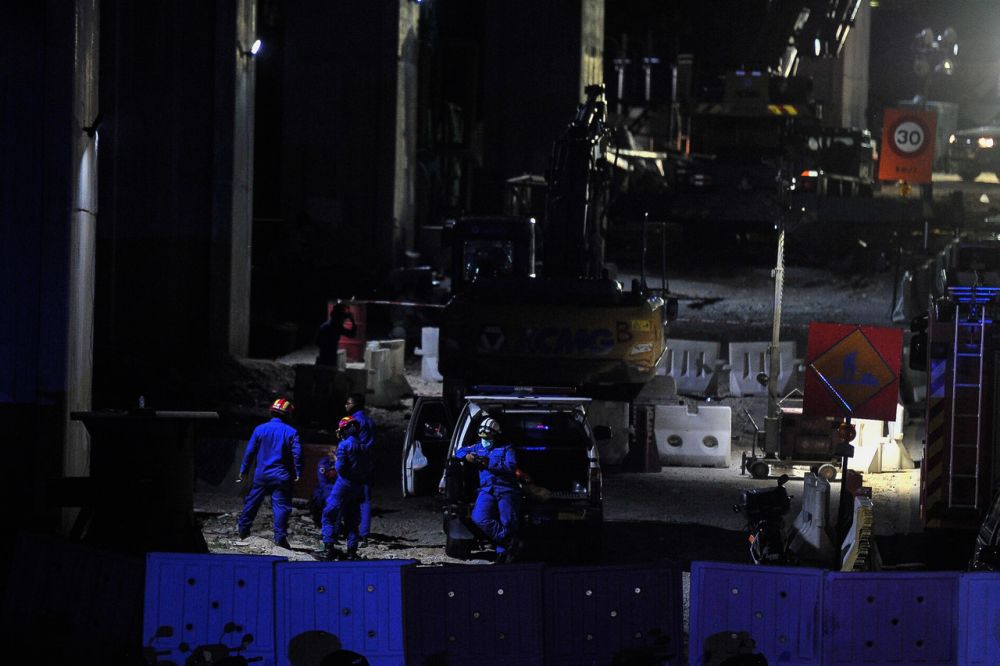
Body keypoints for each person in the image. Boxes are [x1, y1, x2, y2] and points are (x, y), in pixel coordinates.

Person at [453, 417, 521, 563]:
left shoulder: (507, 448)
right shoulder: (478, 447)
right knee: (479, 517)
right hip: (487, 490)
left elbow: (511, 467)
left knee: (507, 521)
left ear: (496, 435)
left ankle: (503, 555)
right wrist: (467, 456)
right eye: (482, 436)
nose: (485, 439)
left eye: (488, 436)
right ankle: (508, 540)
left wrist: (489, 463)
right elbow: (458, 452)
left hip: (506, 490)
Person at [237, 398, 303, 549]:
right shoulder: (291, 432)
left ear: (271, 411)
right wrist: (298, 471)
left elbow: (250, 452)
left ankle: (243, 530)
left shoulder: (260, 429)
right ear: (288, 415)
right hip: (281, 476)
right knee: (281, 506)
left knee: (252, 502)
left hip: (261, 474)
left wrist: (243, 470)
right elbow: (297, 455)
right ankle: (280, 537)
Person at [321, 415, 374, 560]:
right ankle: (351, 551)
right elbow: (369, 467)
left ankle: (328, 549)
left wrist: (345, 474)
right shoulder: (364, 446)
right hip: (358, 486)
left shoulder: (344, 445)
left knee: (329, 514)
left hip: (343, 484)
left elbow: (340, 467)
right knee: (352, 519)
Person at [345, 392, 376, 544]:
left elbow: (351, 444)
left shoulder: (354, 421)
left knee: (350, 498)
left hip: (355, 464)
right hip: (367, 463)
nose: (346, 405)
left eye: (348, 402)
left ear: (356, 404)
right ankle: (364, 533)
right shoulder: (369, 420)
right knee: (365, 499)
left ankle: (351, 532)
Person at [316, 301, 355, 366]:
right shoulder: (337, 327)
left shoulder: (324, 325)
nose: (343, 320)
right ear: (339, 317)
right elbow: (351, 334)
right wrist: (353, 322)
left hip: (322, 356)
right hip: (331, 358)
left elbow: (317, 342)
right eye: (342, 317)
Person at [308, 444, 338, 528]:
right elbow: (322, 481)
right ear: (329, 453)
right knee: (316, 500)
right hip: (324, 488)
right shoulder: (324, 462)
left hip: (336, 487)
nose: (334, 454)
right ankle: (318, 521)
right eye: (333, 452)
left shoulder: (340, 463)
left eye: (336, 452)